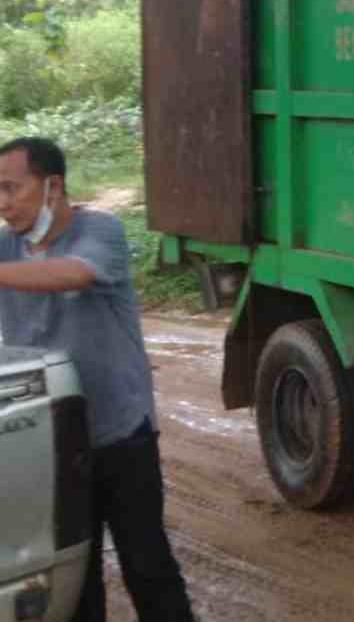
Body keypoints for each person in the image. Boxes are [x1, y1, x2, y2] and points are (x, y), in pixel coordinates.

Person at [0, 137, 196, 622]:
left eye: (10, 189)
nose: (2, 204)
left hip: (121, 434)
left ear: (53, 186)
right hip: (55, 446)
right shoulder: (6, 248)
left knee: (147, 565)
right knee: (75, 579)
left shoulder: (98, 231)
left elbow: (73, 274)